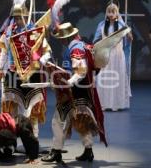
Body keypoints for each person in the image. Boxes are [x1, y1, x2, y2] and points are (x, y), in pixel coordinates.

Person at [41, 22, 107, 163]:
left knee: (58, 121)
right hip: (82, 91)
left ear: (66, 38)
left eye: (61, 38)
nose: (60, 40)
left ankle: (56, 151)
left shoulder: (76, 49)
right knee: (81, 121)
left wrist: (69, 82)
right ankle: (88, 151)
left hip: (74, 91)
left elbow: (81, 71)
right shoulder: (82, 45)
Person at [0, 5, 52, 138]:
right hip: (13, 73)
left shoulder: (35, 32)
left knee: (31, 110)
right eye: (15, 18)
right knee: (12, 108)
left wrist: (41, 61)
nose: (17, 20)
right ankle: (12, 138)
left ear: (27, 17)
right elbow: (4, 52)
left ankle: (33, 139)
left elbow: (47, 52)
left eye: (20, 17)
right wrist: (0, 68)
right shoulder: (9, 31)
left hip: (31, 75)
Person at [93, 1, 132, 111]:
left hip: (118, 55)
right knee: (104, 78)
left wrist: (129, 36)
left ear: (117, 13)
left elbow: (128, 41)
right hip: (105, 55)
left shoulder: (121, 25)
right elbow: (96, 39)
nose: (110, 14)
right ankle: (103, 103)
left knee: (117, 77)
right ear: (106, 13)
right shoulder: (101, 25)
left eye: (113, 12)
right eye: (109, 12)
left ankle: (117, 104)